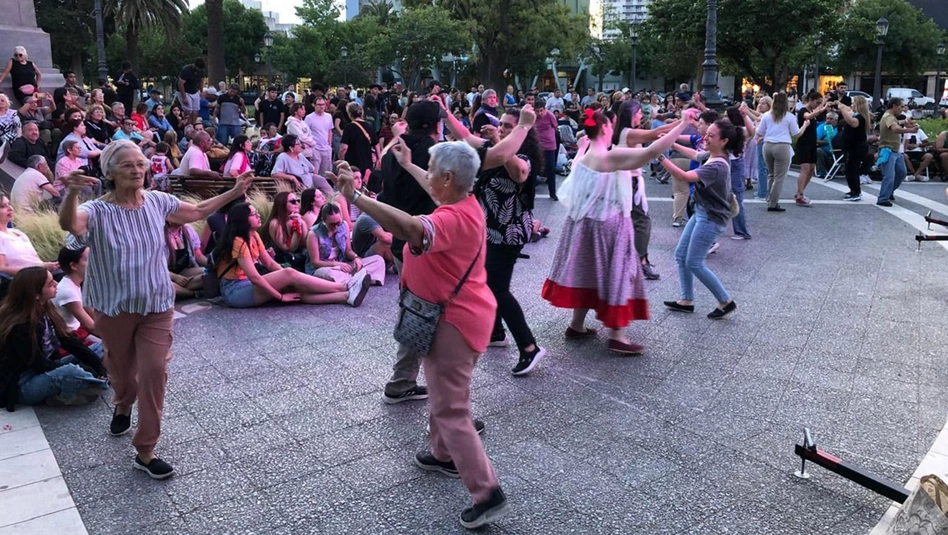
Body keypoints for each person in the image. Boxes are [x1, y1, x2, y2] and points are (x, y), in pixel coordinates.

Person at [331, 151, 510, 529]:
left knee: (452, 408)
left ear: (446, 178)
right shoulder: (465, 201)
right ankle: (442, 453)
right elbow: (434, 193)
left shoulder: (451, 217)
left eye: (430, 172)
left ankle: (487, 492)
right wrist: (410, 164)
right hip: (461, 317)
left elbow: (413, 230)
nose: (426, 177)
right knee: (444, 390)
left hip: (453, 323)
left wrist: (358, 197)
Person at [58, 140, 256, 480]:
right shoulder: (100, 211)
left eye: (140, 163)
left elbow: (195, 211)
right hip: (114, 306)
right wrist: (72, 193)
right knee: (122, 373)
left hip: (156, 304)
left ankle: (145, 448)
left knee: (154, 372)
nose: (137, 170)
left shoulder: (158, 201)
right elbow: (71, 225)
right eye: (127, 165)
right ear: (109, 173)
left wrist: (234, 190)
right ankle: (123, 401)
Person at [541, 109, 687, 354]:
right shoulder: (609, 155)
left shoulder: (586, 155)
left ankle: (576, 325)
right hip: (608, 225)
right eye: (611, 126)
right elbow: (650, 152)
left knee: (589, 272)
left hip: (583, 224)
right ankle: (617, 335)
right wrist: (682, 124)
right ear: (605, 129)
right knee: (618, 273)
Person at [445, 106, 546, 375]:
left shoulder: (523, 155)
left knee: (497, 287)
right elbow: (465, 135)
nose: (501, 129)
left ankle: (529, 347)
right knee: (488, 282)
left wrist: (499, 141)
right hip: (490, 230)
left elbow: (518, 173)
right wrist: (445, 113)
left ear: (523, 130)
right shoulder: (496, 146)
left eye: (508, 127)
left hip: (509, 231)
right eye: (500, 125)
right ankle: (496, 332)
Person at [214, 202, 370, 308]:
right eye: (254, 214)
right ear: (243, 220)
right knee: (289, 274)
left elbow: (269, 264)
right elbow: (255, 278)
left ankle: (346, 295)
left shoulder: (253, 235)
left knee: (297, 288)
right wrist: (280, 296)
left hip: (249, 284)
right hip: (234, 291)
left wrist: (288, 278)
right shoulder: (238, 241)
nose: (258, 216)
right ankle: (345, 286)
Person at [660, 118, 741, 319]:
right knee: (681, 255)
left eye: (711, 135)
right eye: (707, 134)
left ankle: (725, 301)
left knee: (695, 261)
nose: (705, 137)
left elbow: (685, 177)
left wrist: (661, 158)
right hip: (702, 212)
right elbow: (695, 153)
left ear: (724, 141)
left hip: (712, 218)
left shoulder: (718, 165)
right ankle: (686, 300)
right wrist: (670, 142)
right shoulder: (712, 155)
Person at [0, 267, 109, 410]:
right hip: (25, 383)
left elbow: (69, 342)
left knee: (100, 347)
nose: (57, 284)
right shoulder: (19, 326)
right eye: (51, 284)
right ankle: (75, 390)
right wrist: (68, 369)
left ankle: (88, 380)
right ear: (36, 295)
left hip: (47, 366)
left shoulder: (46, 309)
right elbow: (38, 365)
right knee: (71, 371)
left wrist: (99, 367)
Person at [614, 100, 683, 277]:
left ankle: (633, 259)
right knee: (642, 221)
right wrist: (684, 121)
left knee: (629, 220)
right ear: (629, 114)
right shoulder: (629, 133)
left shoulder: (622, 132)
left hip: (626, 180)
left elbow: (656, 133)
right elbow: (656, 132)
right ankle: (639, 261)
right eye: (638, 113)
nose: (640, 115)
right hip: (628, 181)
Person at [305, 202, 386, 284]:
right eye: (332, 224)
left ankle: (352, 280)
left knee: (378, 260)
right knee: (331, 274)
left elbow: (348, 251)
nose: (336, 227)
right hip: (325, 268)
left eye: (338, 223)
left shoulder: (344, 225)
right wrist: (335, 264)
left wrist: (356, 257)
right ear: (324, 221)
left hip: (343, 266)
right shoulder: (314, 234)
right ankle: (357, 279)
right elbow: (315, 262)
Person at [757, 93, 808, 212]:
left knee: (771, 174)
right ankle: (773, 203)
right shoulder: (789, 116)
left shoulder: (766, 115)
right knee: (779, 177)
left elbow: (759, 132)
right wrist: (805, 125)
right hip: (782, 145)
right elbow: (796, 134)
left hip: (768, 145)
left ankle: (770, 198)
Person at [52, 246, 102, 353]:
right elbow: (91, 327)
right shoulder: (67, 291)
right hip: (71, 340)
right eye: (88, 259)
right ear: (74, 266)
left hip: (80, 333)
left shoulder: (76, 285)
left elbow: (93, 314)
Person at [0, 193, 59, 278]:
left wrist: (49, 265)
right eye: (3, 206)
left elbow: (37, 261)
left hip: (40, 273)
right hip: (26, 280)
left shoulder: (18, 233)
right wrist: (38, 270)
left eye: (9, 204)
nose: (10, 208)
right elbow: (2, 268)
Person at [876, 97, 918, 207]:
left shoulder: (890, 117)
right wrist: (911, 130)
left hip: (894, 150)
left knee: (901, 172)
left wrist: (905, 121)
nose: (903, 109)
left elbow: (895, 123)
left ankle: (888, 192)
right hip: (888, 149)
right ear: (894, 105)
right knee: (889, 175)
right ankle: (883, 198)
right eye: (901, 106)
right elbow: (895, 128)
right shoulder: (889, 116)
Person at [793, 91, 831, 206]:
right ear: (810, 100)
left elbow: (814, 113)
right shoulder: (803, 111)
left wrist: (823, 105)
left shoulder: (812, 111)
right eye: (817, 102)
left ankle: (800, 192)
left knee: (811, 169)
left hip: (811, 143)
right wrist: (823, 108)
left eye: (819, 102)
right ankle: (800, 194)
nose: (817, 105)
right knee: (805, 169)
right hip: (803, 143)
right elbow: (808, 116)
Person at [837, 96, 872, 201]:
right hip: (851, 147)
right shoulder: (857, 114)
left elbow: (852, 122)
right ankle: (852, 190)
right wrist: (839, 104)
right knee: (849, 169)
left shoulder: (860, 118)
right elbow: (848, 109)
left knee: (852, 169)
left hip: (855, 148)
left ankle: (856, 192)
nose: (851, 105)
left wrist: (842, 109)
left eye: (853, 103)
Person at [339, 101, 380, 187]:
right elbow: (376, 144)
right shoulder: (369, 126)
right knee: (365, 185)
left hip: (353, 163)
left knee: (353, 185)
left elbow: (344, 147)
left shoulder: (348, 127)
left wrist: (340, 157)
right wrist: (379, 158)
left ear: (349, 113)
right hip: (367, 162)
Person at [166, 222, 206, 299]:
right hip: (163, 275)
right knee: (167, 285)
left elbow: (198, 255)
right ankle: (191, 293)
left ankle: (180, 291)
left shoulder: (188, 230)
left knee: (208, 273)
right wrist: (175, 277)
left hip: (183, 271)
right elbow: (153, 268)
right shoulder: (159, 233)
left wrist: (213, 265)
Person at [533, 99, 561, 201]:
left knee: (551, 169)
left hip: (549, 146)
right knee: (534, 169)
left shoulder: (550, 116)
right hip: (537, 146)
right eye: (537, 111)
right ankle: (531, 193)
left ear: (544, 109)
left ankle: (553, 193)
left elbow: (555, 127)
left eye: (541, 110)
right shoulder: (532, 117)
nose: (540, 113)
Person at [304, 97, 334, 175]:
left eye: (323, 104)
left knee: (326, 172)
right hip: (315, 148)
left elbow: (330, 130)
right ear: (314, 105)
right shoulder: (309, 117)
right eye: (319, 104)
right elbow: (305, 133)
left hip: (326, 148)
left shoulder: (329, 116)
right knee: (315, 171)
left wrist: (329, 144)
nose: (321, 106)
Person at [177, 58, 205, 125]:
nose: (199, 70)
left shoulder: (201, 71)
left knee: (196, 109)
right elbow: (180, 83)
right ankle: (187, 124)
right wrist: (184, 97)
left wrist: (201, 91)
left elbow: (201, 81)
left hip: (194, 90)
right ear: (195, 65)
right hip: (185, 90)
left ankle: (193, 124)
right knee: (189, 109)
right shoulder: (186, 70)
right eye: (198, 68)